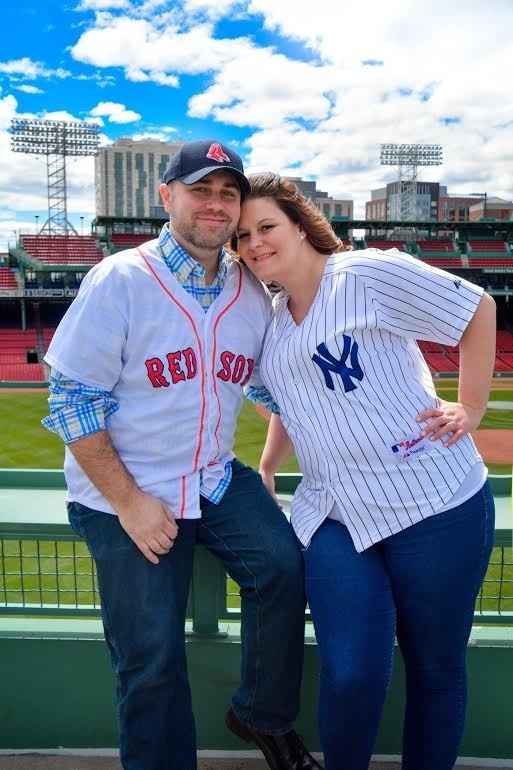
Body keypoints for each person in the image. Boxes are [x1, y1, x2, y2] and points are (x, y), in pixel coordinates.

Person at [42, 143, 322, 770]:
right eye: (201, 190)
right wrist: (129, 502)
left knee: (282, 567)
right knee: (151, 657)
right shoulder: (120, 279)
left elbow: (269, 386)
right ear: (167, 197)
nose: (216, 204)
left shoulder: (251, 289)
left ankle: (260, 715)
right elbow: (72, 401)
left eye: (229, 193)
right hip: (125, 491)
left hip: (215, 477)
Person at [236, 173, 496, 770]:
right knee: (351, 671)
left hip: (435, 502)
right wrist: (270, 463)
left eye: (267, 227)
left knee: (435, 668)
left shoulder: (366, 274)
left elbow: (476, 307)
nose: (255, 244)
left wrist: (472, 407)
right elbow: (290, 402)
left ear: (300, 225)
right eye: (243, 236)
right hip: (334, 512)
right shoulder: (270, 318)